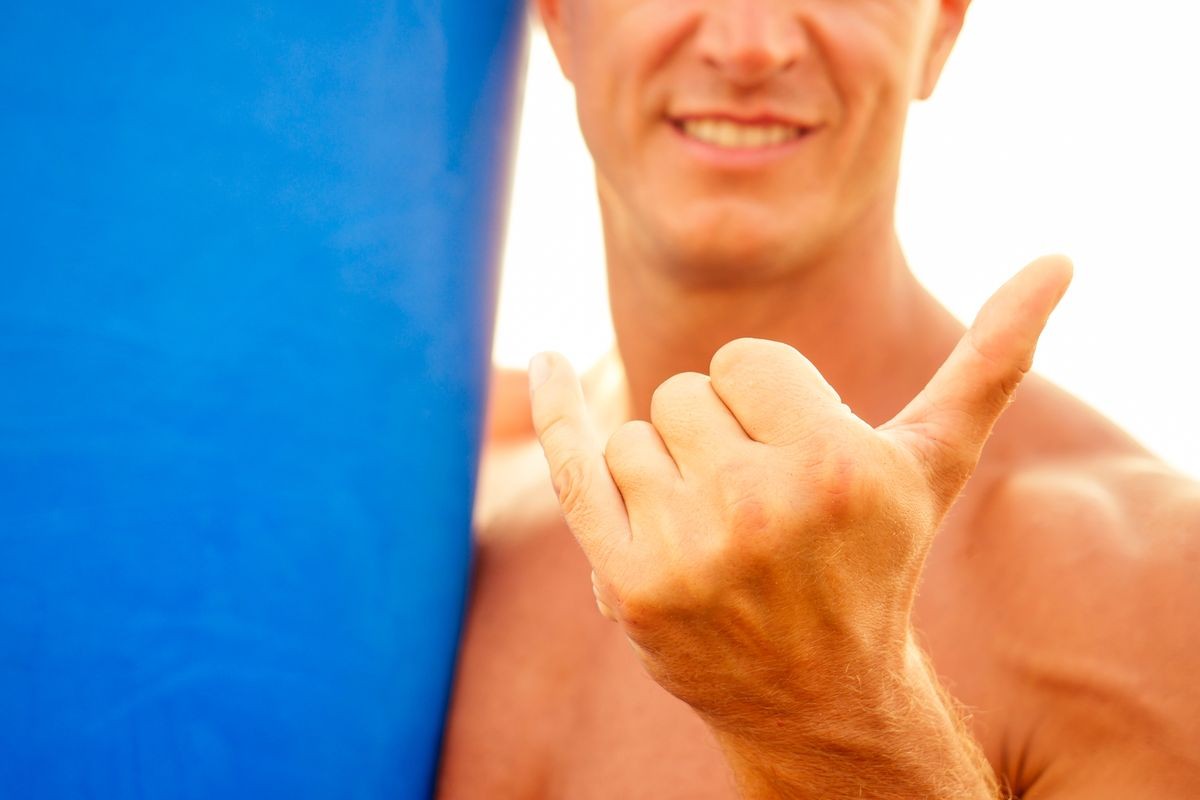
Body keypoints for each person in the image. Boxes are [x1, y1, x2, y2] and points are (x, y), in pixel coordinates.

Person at [439, 0, 1200, 796]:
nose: (749, 47)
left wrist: (838, 720)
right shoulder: (447, 503)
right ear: (559, 17)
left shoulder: (1146, 590)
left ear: (942, 28)